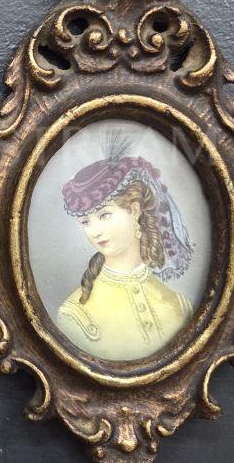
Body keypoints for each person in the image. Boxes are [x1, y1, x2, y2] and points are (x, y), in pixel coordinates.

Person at [56, 134, 193, 362]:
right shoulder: (74, 314)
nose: (94, 232)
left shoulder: (180, 305)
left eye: (104, 215)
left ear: (135, 210)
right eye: (86, 222)